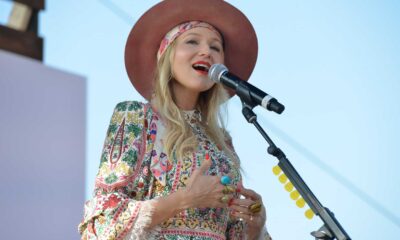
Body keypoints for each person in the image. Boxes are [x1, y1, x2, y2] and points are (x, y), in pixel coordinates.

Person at [78, 0, 272, 239]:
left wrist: (255, 226)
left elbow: (230, 231)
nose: (206, 52)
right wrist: (184, 199)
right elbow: (100, 226)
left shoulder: (222, 141)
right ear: (166, 55)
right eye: (192, 41)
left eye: (216, 47)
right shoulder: (136, 117)